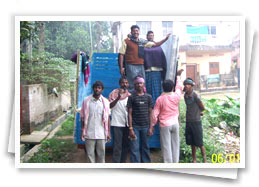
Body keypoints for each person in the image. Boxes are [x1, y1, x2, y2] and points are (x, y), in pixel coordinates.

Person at [148, 69, 184, 163]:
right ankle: (175, 163)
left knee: (166, 146)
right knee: (175, 145)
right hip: (175, 123)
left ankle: (168, 165)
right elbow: (179, 88)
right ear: (172, 87)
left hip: (164, 125)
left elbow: (155, 114)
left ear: (163, 88)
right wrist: (178, 77)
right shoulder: (176, 96)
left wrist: (152, 126)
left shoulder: (160, 99)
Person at [80, 81, 111, 163]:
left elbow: (107, 118)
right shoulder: (86, 101)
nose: (97, 89)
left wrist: (108, 133)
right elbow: (82, 117)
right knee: (90, 155)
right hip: (89, 133)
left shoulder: (105, 102)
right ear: (93, 88)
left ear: (102, 90)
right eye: (96, 87)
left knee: (101, 155)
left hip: (101, 133)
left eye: (99, 88)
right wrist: (82, 130)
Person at [119, 25, 154, 93]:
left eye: (137, 31)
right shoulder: (126, 41)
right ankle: (131, 99)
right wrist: (121, 67)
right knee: (131, 84)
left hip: (140, 65)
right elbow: (121, 54)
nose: (135, 32)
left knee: (142, 82)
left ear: (139, 32)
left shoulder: (141, 42)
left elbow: (155, 44)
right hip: (130, 65)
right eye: (134, 31)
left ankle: (141, 98)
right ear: (131, 32)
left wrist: (164, 40)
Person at [127, 75, 153, 163]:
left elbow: (151, 112)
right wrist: (130, 129)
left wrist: (151, 127)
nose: (139, 85)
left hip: (146, 127)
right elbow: (129, 113)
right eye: (137, 83)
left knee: (145, 147)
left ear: (143, 84)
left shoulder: (148, 97)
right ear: (134, 85)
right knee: (134, 149)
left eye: (141, 83)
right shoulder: (131, 97)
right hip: (135, 127)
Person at [183, 78, 207, 163]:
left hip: (196, 121)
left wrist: (199, 112)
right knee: (192, 142)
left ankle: (205, 160)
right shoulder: (185, 95)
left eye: (188, 84)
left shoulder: (195, 95)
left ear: (191, 86)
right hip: (189, 121)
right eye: (185, 84)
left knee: (199, 143)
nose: (186, 86)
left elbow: (202, 107)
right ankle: (194, 160)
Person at [109, 76, 131, 163]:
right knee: (117, 146)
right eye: (123, 82)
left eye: (126, 83)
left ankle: (122, 163)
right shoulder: (113, 93)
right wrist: (118, 97)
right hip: (117, 123)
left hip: (127, 124)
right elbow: (110, 106)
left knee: (125, 145)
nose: (124, 84)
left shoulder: (130, 95)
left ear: (128, 84)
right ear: (119, 83)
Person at [144, 31, 171, 103]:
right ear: (146, 36)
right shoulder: (144, 45)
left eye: (152, 35)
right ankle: (149, 106)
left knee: (157, 89)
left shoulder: (158, 47)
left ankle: (157, 105)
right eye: (149, 35)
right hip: (147, 71)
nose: (151, 37)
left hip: (157, 71)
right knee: (148, 89)